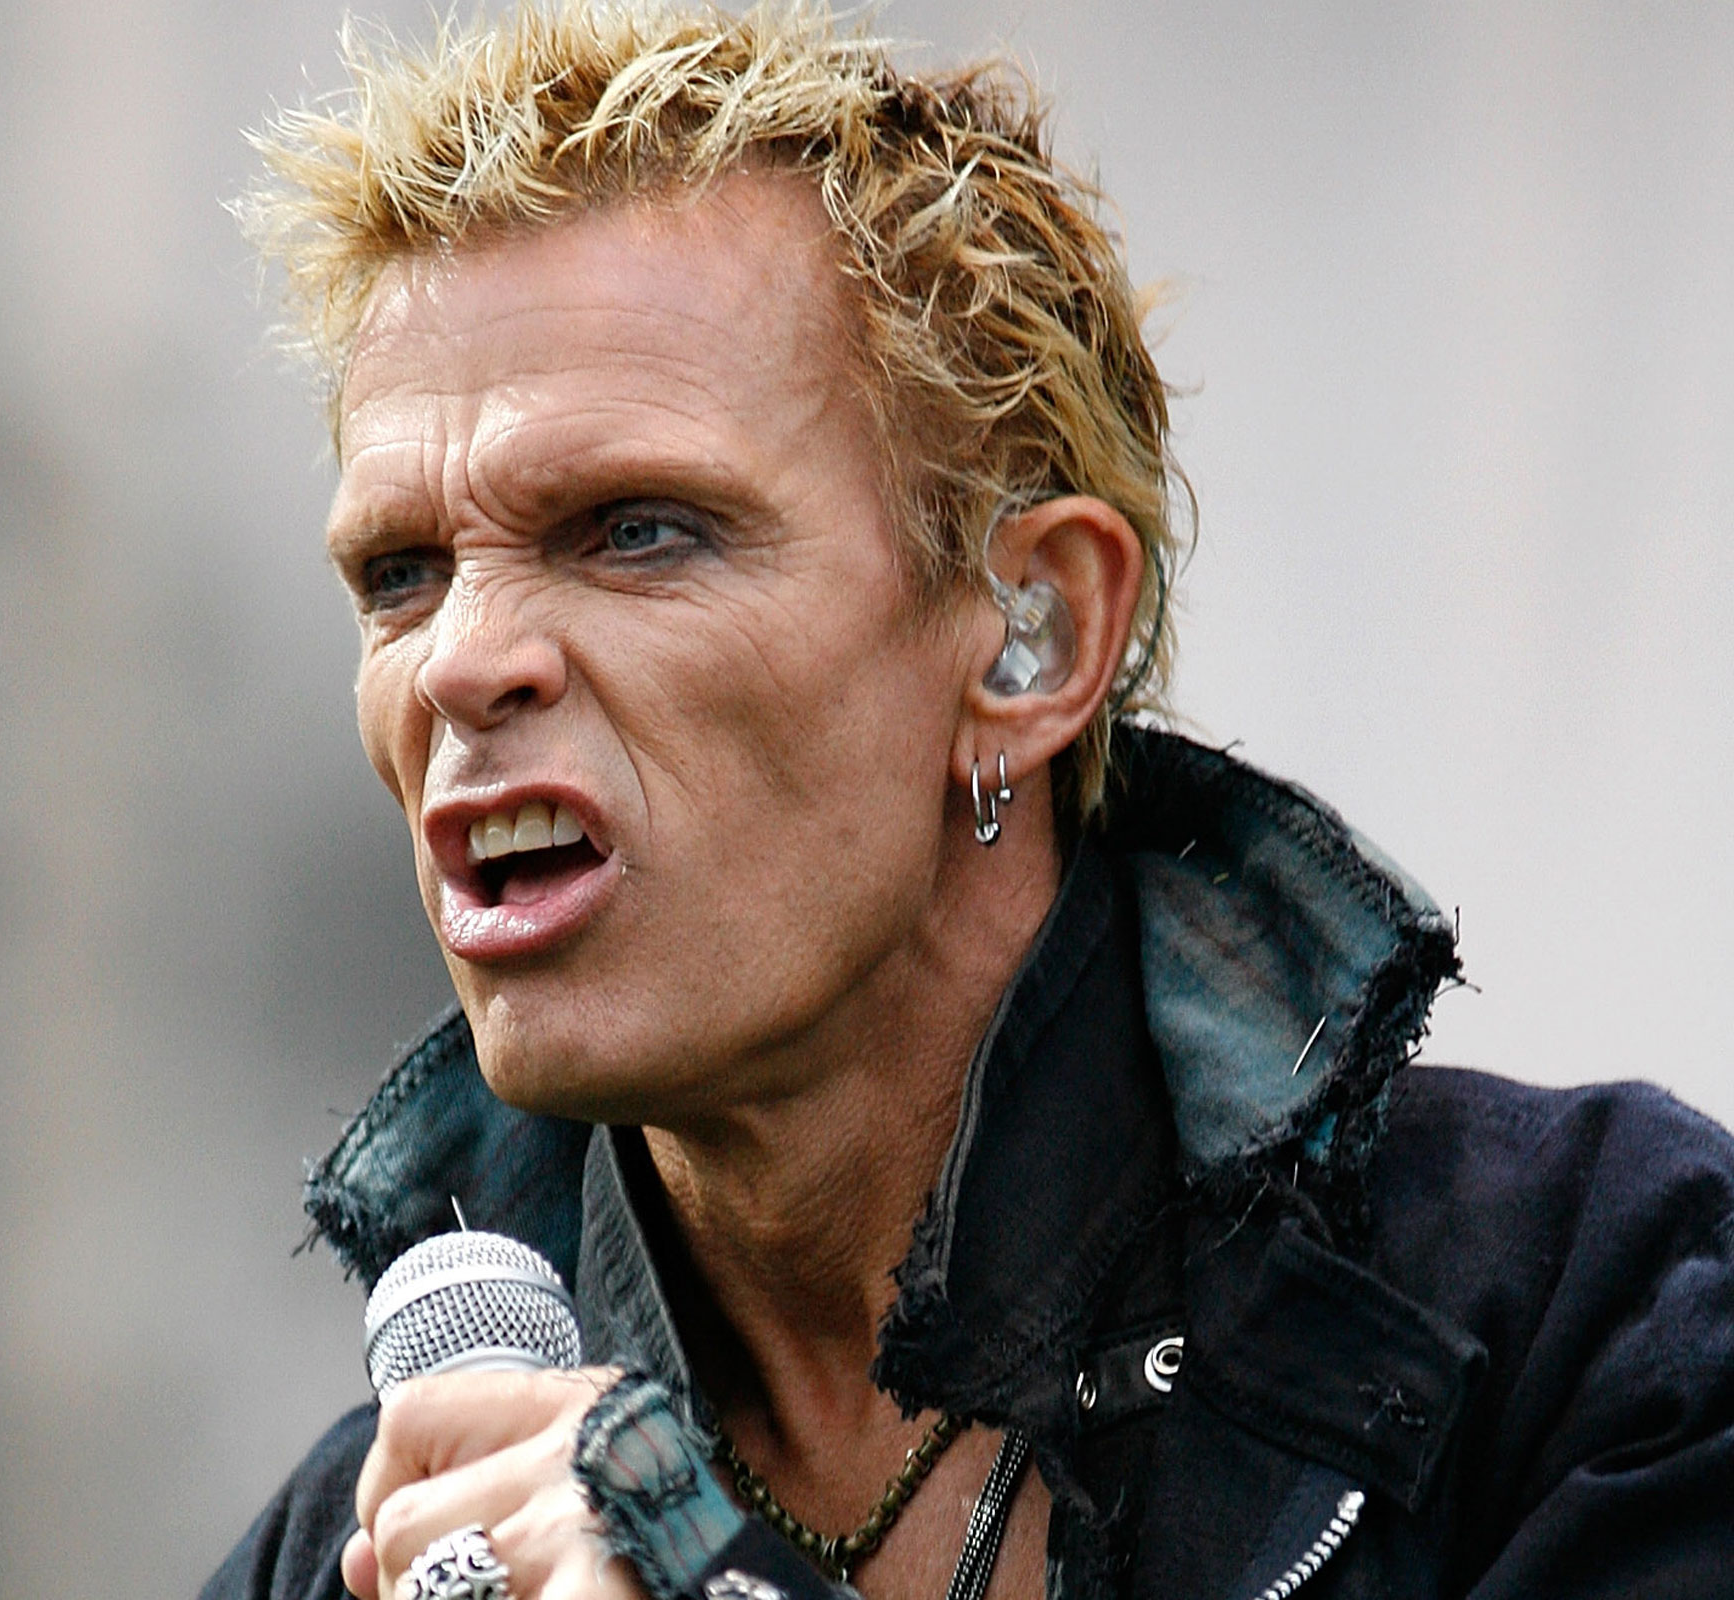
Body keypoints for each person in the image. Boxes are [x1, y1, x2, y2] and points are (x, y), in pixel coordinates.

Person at [209, 5, 1734, 1598]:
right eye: (399, 573)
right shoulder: (358, 1553)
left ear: (1032, 636)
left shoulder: (1597, 1316)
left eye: (638, 529)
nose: (461, 663)